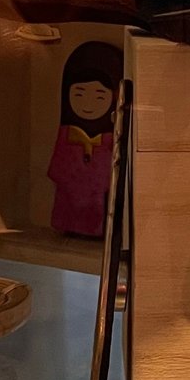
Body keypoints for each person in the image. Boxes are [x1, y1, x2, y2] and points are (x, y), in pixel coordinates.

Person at [47, 41, 122, 237]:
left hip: (100, 202)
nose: (88, 104)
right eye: (79, 94)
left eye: (99, 97)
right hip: (70, 198)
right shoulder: (67, 133)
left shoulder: (111, 139)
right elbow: (57, 168)